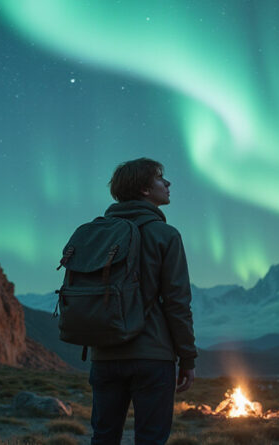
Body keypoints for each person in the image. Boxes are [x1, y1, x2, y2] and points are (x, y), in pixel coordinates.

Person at [89, 157, 197, 445]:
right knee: (150, 439)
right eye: (161, 178)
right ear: (145, 190)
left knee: (103, 437)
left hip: (104, 355)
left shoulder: (96, 233)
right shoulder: (165, 235)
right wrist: (187, 358)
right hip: (152, 356)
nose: (168, 183)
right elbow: (177, 303)